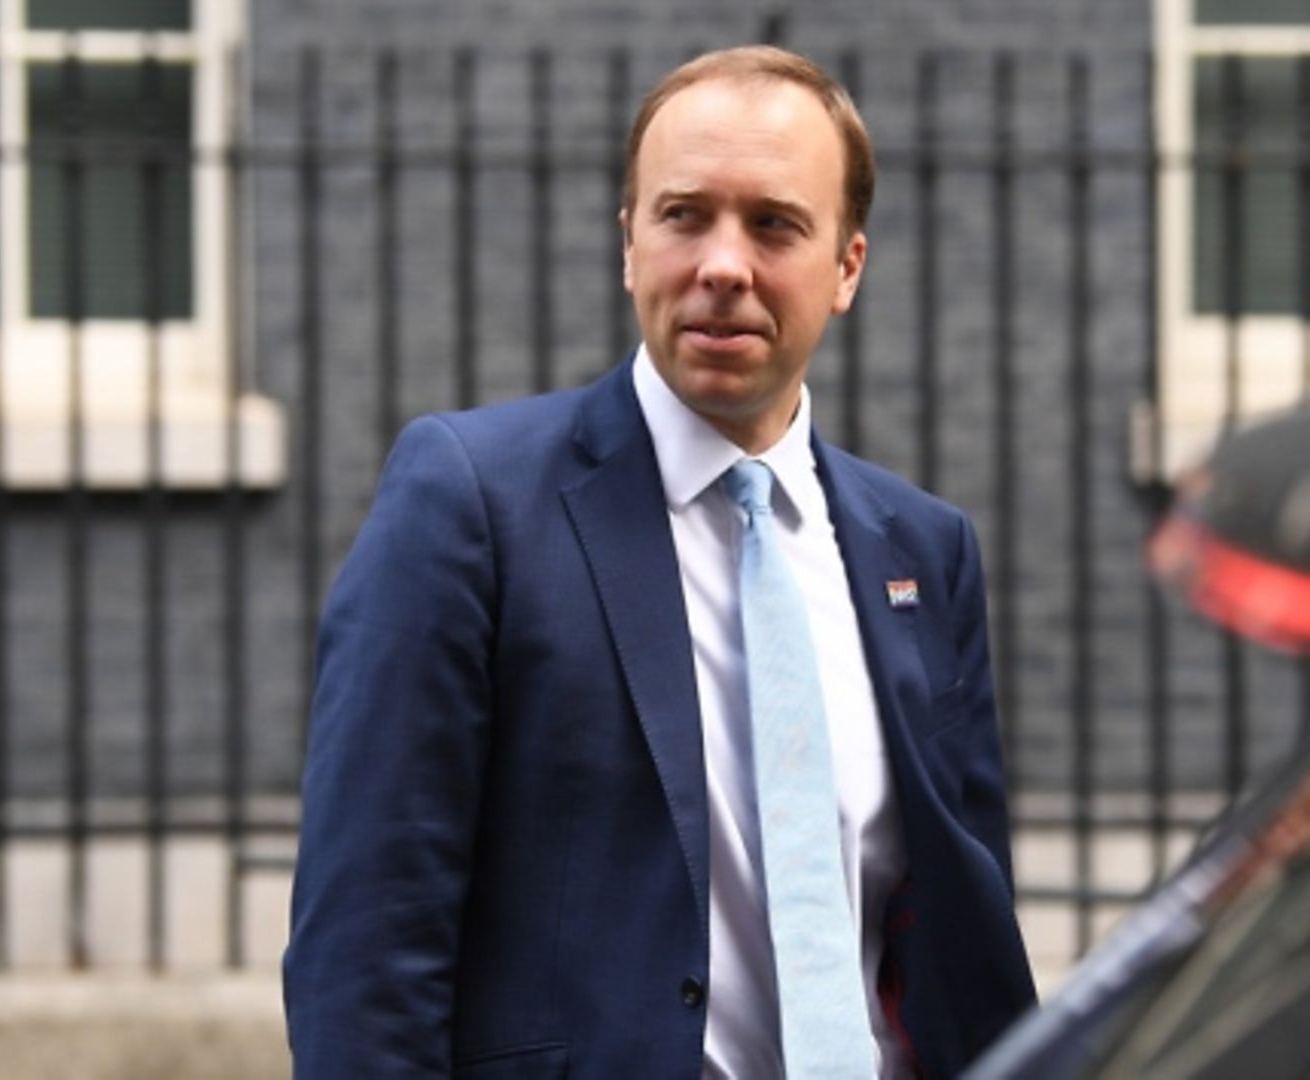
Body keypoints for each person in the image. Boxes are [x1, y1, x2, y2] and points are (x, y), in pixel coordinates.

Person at [282, 45, 1037, 1079]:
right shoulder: (470, 501)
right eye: (684, 215)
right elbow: (367, 941)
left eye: (774, 223)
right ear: (629, 244)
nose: (723, 264)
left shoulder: (922, 551)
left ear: (848, 266)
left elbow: (967, 946)